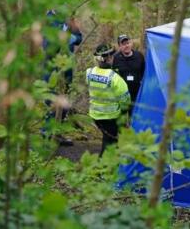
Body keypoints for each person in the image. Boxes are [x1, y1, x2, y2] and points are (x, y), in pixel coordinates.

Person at [42, 10, 82, 145]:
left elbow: (79, 37)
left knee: (65, 104)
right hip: (53, 69)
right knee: (52, 102)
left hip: (67, 68)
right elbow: (47, 47)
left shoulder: (69, 18)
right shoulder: (48, 20)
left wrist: (72, 38)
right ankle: (47, 135)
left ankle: (57, 133)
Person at [87, 43, 130, 156]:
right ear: (110, 58)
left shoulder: (89, 73)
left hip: (95, 115)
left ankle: (104, 167)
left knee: (107, 139)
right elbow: (125, 102)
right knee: (111, 142)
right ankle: (104, 168)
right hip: (111, 117)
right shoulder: (115, 79)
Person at [112, 34, 145, 116]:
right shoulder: (116, 58)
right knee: (122, 117)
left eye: (128, 43)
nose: (126, 46)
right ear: (119, 46)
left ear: (131, 43)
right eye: (123, 44)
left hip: (137, 92)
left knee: (134, 115)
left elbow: (144, 72)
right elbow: (114, 76)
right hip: (123, 94)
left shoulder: (139, 56)